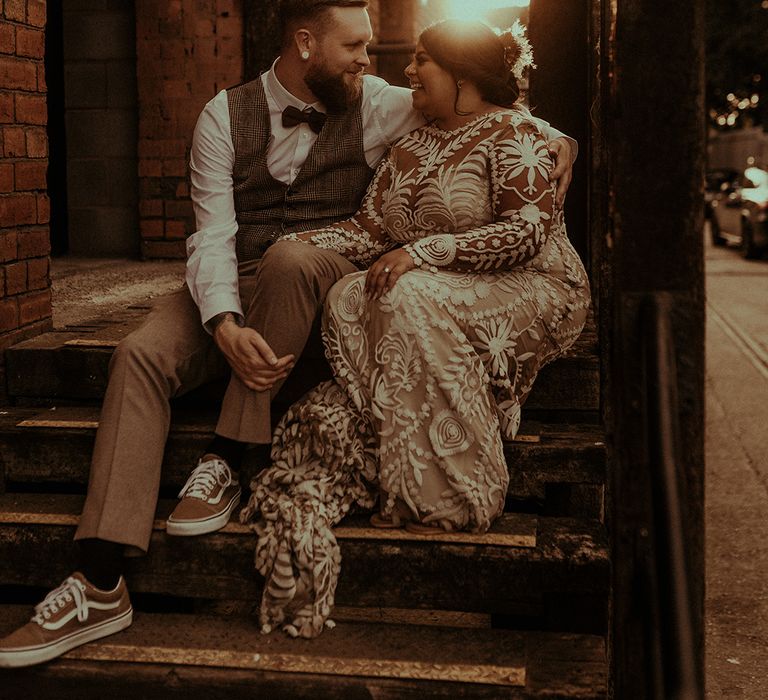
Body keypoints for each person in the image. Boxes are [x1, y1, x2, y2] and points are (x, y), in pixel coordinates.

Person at [0, 1, 576, 668]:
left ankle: (228, 452)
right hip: (236, 280)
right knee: (138, 355)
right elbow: (210, 236)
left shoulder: (382, 102)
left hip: (317, 273)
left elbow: (489, 114)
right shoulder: (222, 115)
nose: (372, 59)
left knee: (292, 259)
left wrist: (565, 138)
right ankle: (99, 577)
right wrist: (221, 322)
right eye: (355, 44)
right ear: (306, 43)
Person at [240, 18, 591, 639]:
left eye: (423, 59)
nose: (409, 69)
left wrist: (428, 253)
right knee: (352, 293)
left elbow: (527, 231)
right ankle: (404, 463)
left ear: (463, 74)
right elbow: (370, 235)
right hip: (437, 283)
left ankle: (453, 494)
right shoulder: (413, 145)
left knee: (407, 292)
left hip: (533, 283)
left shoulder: (520, 134)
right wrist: (298, 244)